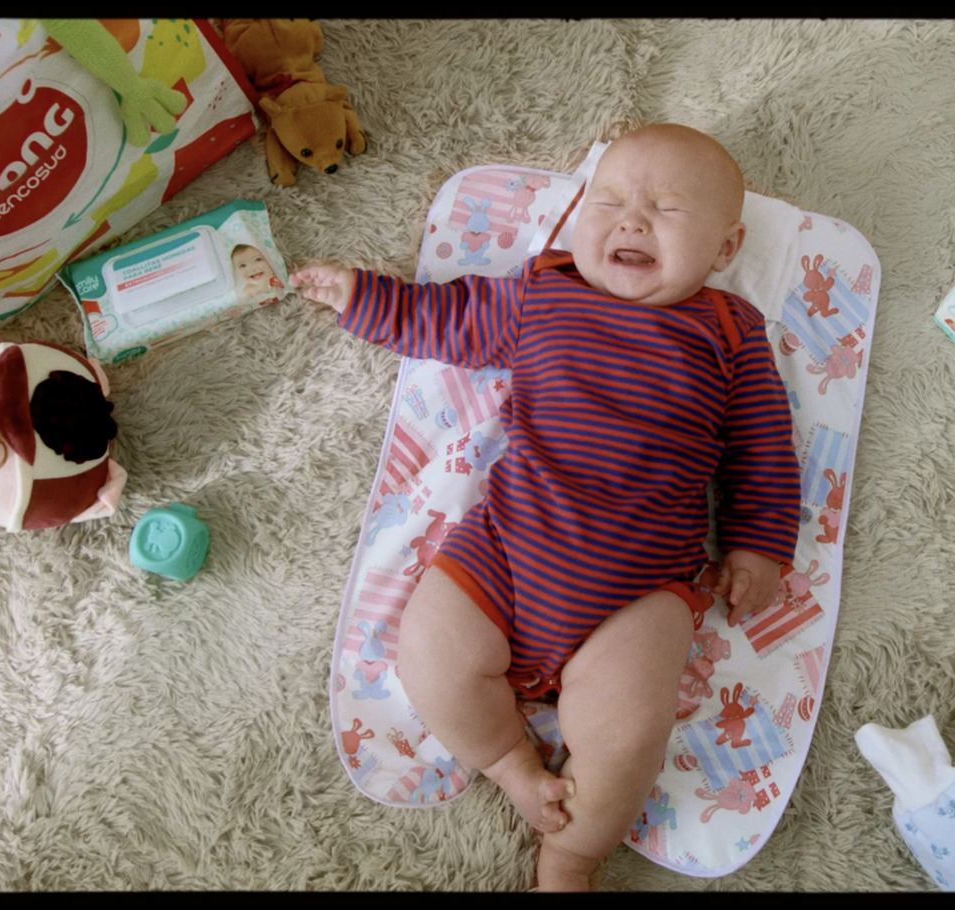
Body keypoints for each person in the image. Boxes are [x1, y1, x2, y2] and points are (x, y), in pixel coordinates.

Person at [291, 123, 801, 890]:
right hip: (504, 552)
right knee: (430, 651)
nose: (631, 220)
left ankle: (572, 853)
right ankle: (508, 762)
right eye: (611, 201)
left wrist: (760, 545)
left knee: (631, 730)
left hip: (638, 590)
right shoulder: (544, 293)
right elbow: (447, 320)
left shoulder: (731, 333)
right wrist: (364, 299)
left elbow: (763, 448)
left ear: (725, 250)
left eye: (666, 209)